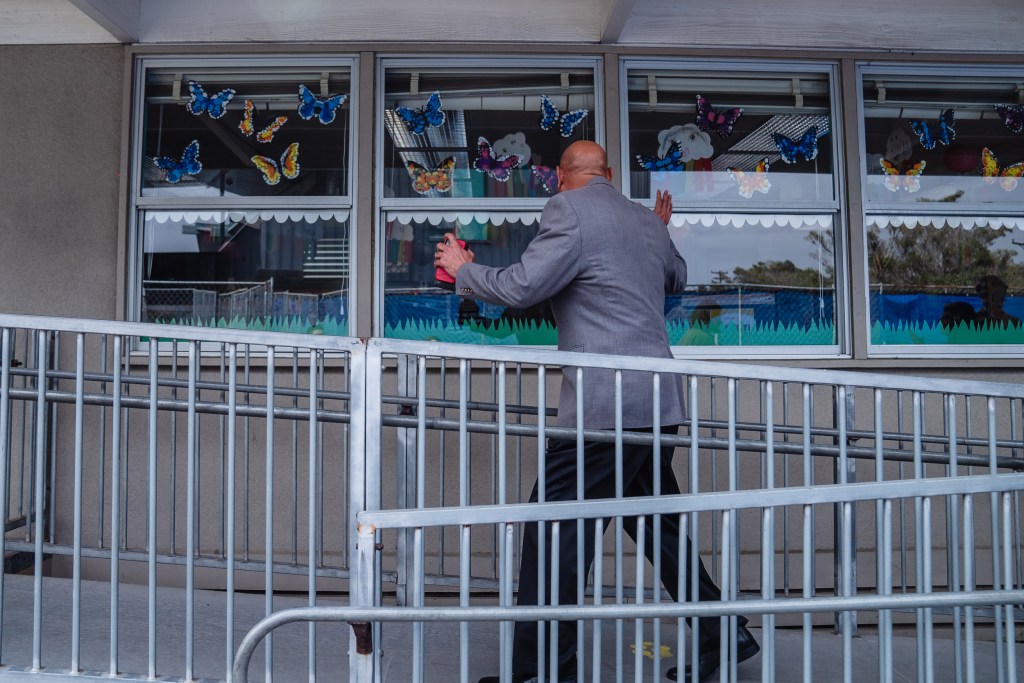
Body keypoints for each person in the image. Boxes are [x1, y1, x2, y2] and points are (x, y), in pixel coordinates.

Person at [434, 141, 758, 683]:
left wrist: (464, 269)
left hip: (602, 411)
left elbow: (522, 286)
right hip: (656, 404)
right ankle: (722, 632)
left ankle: (541, 672)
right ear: (607, 174)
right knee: (656, 525)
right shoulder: (647, 221)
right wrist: (658, 230)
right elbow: (675, 279)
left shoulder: (568, 210)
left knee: (553, 531)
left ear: (560, 178)